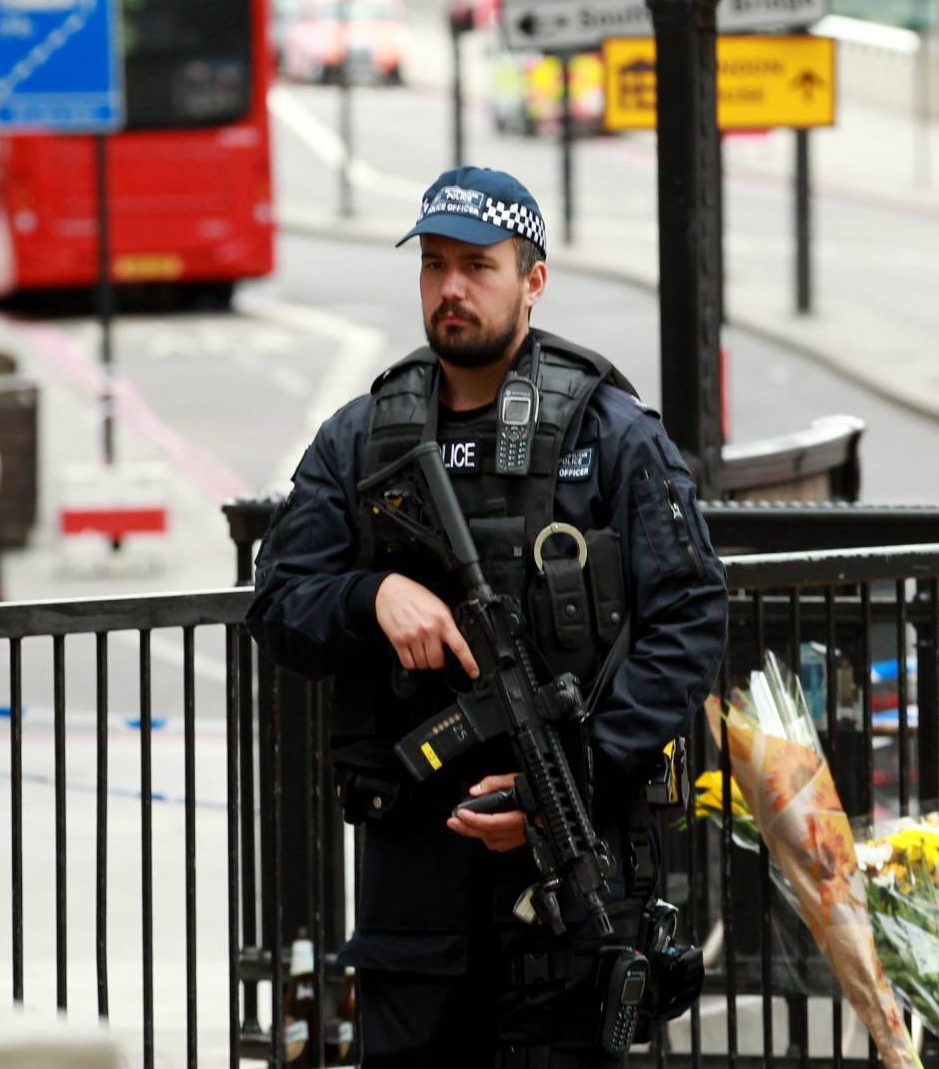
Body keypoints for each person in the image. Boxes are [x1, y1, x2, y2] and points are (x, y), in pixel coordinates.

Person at [246, 167, 729, 1067]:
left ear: (532, 280)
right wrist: (370, 596)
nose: (451, 290)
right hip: (412, 895)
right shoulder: (362, 435)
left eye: (478, 265)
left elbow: (691, 619)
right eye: (434, 266)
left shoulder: (610, 433)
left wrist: (573, 784)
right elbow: (278, 604)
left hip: (567, 889)